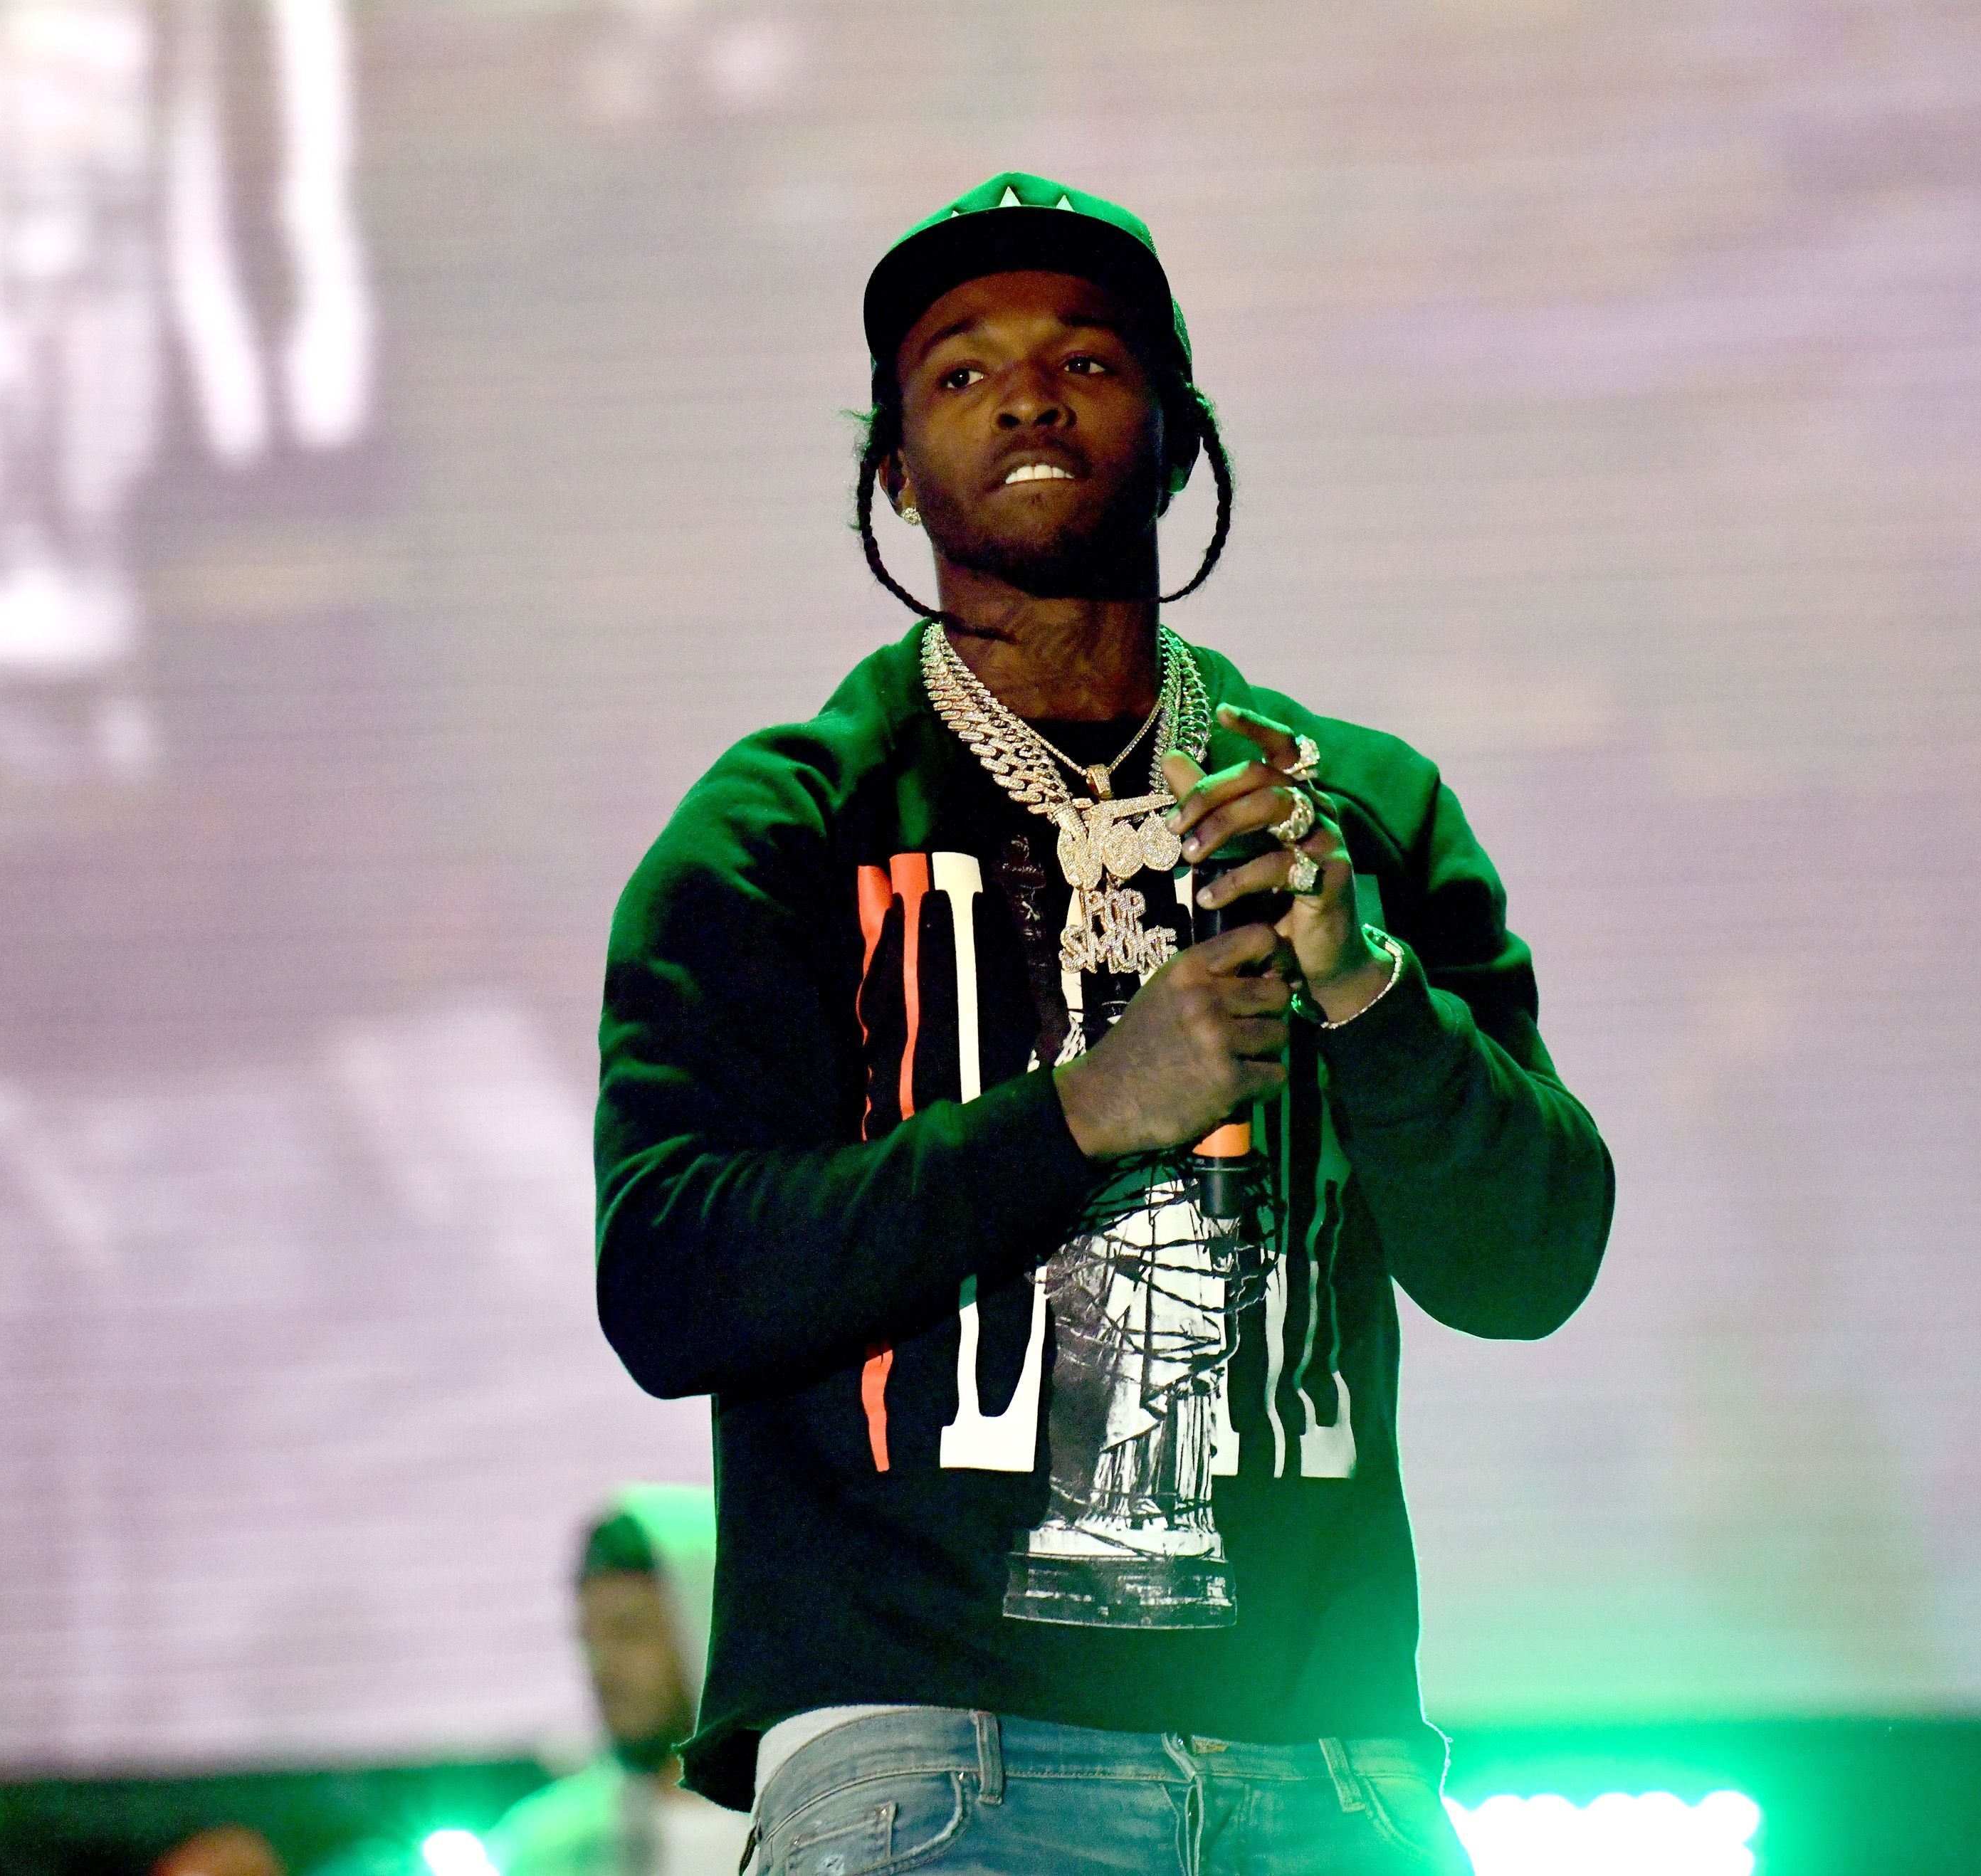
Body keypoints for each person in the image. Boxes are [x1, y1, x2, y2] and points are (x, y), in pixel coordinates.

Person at [593, 171, 1614, 1874]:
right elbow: (672, 1274)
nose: (1028, 397)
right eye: (959, 372)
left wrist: (1366, 986)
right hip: (931, 1756)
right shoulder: (785, 824)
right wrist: (1085, 1110)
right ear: (890, 469)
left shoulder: (1355, 806)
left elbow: (1530, 1262)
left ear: (1179, 432)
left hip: (1329, 1763)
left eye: (1084, 358)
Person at [483, 1500, 749, 1876]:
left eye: (629, 1632)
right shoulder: (545, 1848)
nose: (603, 1668)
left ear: (704, 1626)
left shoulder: (805, 1826)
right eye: (590, 1639)